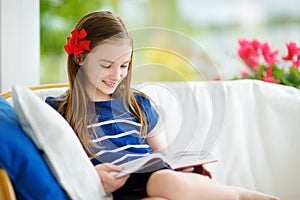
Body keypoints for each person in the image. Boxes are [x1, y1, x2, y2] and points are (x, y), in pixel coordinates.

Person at [46, 11, 279, 200]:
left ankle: (237, 195)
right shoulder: (60, 111)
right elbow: (58, 165)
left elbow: (164, 157)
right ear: (79, 58)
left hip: (154, 180)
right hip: (115, 191)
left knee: (164, 181)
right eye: (106, 65)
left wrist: (184, 169)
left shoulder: (137, 104)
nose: (116, 75)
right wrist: (92, 174)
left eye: (124, 65)